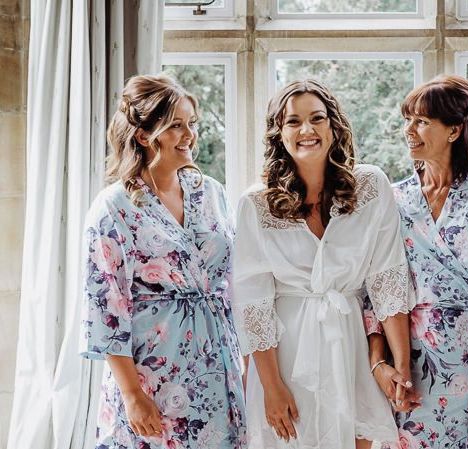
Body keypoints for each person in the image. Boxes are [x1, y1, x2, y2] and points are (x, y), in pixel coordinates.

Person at [231, 79, 416, 449]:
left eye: (317, 118)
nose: (307, 130)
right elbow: (253, 305)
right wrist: (271, 388)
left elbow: (388, 280)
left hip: (349, 350)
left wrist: (402, 367)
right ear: (278, 134)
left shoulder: (371, 186)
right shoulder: (255, 204)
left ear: (334, 126)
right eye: (293, 122)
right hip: (285, 356)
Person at [79, 74, 246, 449]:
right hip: (153, 371)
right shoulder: (113, 207)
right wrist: (132, 395)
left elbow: (234, 282)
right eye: (175, 126)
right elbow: (105, 308)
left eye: (192, 124)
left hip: (217, 363)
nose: (189, 134)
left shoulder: (211, 192)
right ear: (143, 136)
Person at [364, 75, 468, 448]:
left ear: (453, 130)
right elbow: (375, 288)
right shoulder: (394, 199)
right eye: (408, 120)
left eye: (421, 121)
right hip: (413, 368)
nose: (409, 130)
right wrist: (379, 363)